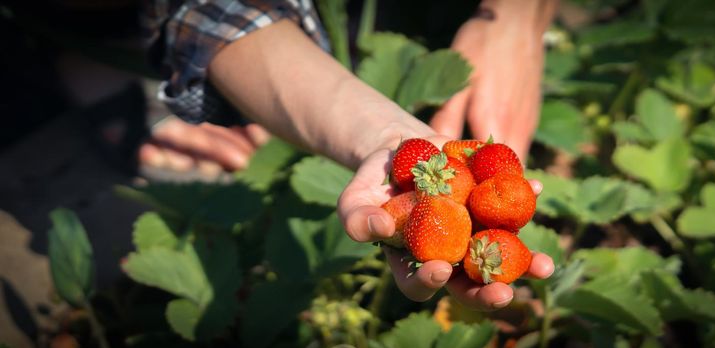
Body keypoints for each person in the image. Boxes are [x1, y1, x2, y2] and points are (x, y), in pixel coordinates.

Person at [147, 0, 557, 310]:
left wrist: (516, 14)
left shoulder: (453, 189)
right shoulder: (443, 188)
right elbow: (213, 9)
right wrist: (379, 131)